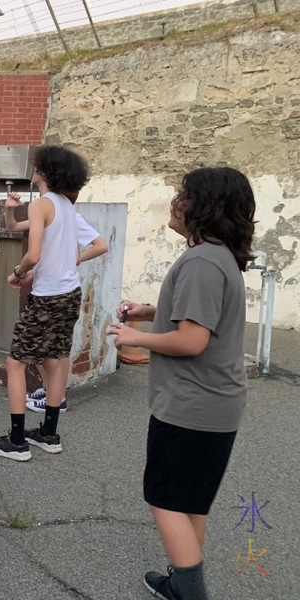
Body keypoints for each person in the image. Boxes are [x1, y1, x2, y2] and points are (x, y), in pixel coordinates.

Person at [108, 167, 255, 600]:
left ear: (203, 206)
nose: (175, 202)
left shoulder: (202, 262)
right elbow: (195, 314)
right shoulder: (216, 256)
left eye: (183, 195)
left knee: (167, 500)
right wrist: (149, 310)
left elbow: (191, 339)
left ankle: (190, 592)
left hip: (191, 406)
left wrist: (136, 337)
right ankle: (180, 581)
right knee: (190, 501)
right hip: (213, 406)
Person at [0, 145, 89, 460]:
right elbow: (20, 229)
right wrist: (11, 210)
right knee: (54, 362)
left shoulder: (43, 203)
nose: (33, 168)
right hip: (70, 294)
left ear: (46, 171)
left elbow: (34, 253)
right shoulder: (66, 206)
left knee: (15, 364)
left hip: (48, 296)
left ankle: (16, 441)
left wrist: (18, 272)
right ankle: (48, 433)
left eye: (37, 165)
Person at [26, 203, 109, 413]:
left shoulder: (67, 214)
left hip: (55, 290)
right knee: (55, 347)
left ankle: (57, 396)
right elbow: (16, 225)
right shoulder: (50, 212)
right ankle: (53, 392)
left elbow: (101, 245)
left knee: (42, 347)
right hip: (60, 289)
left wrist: (77, 258)